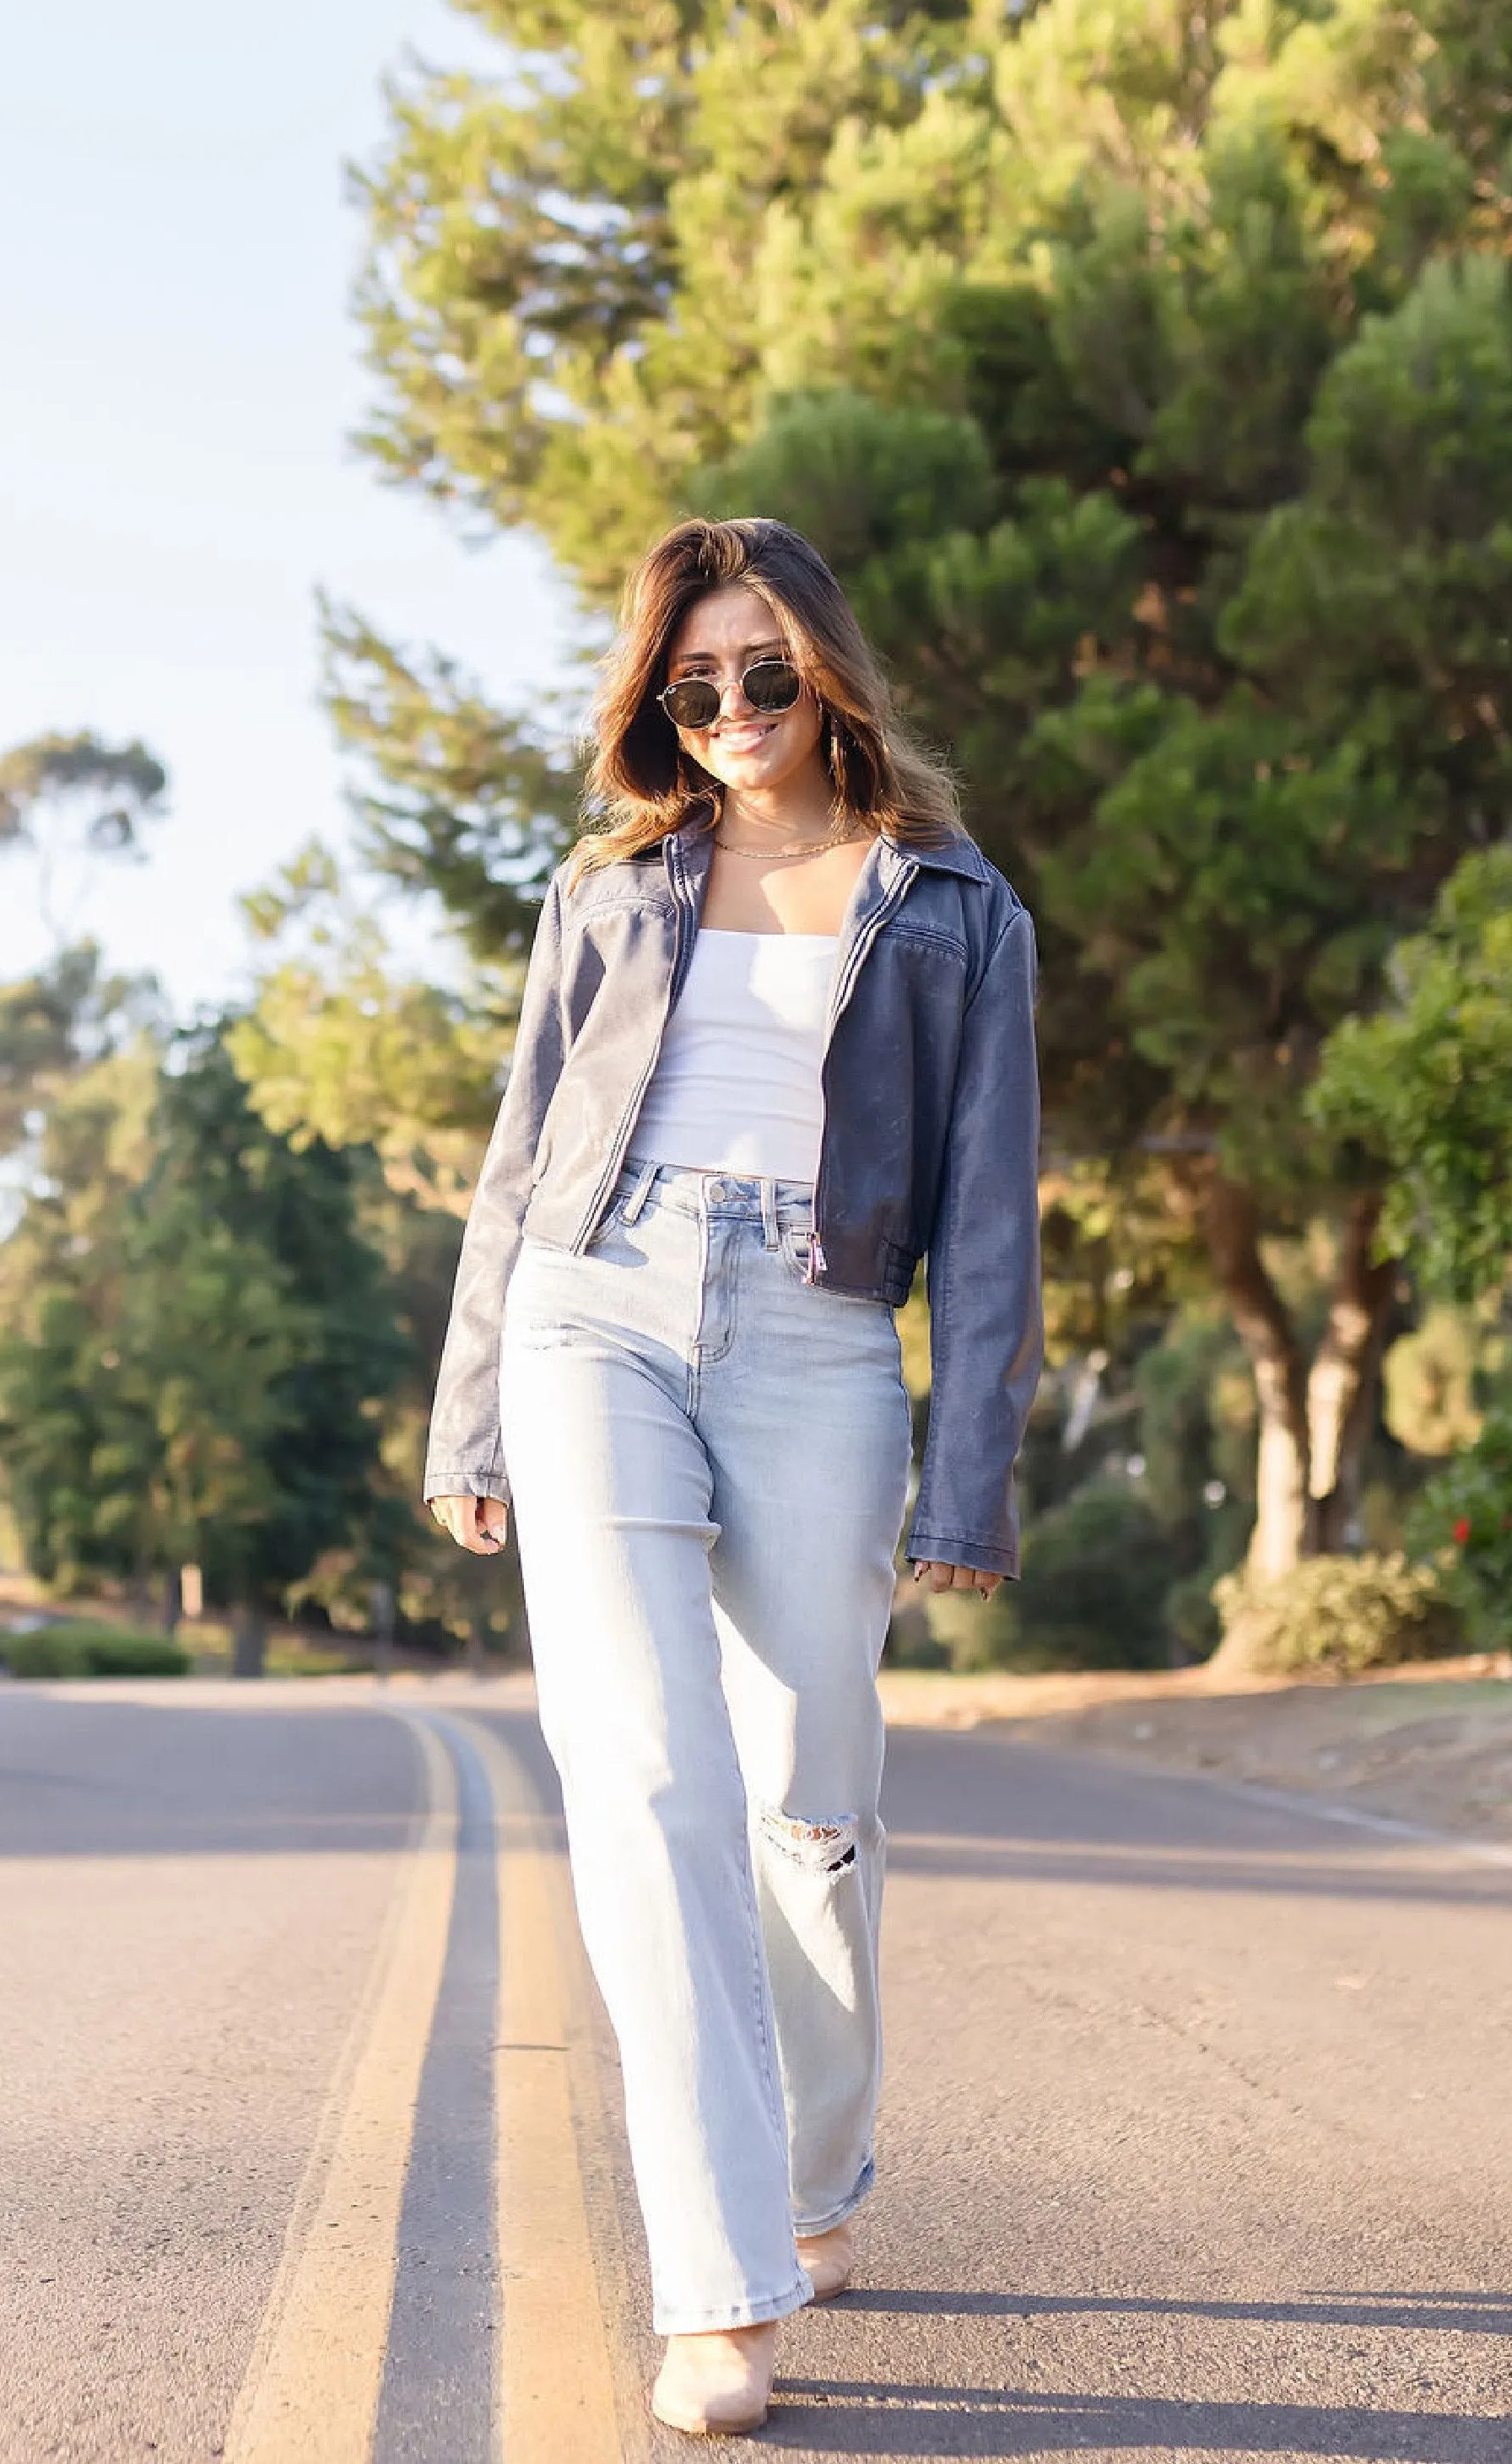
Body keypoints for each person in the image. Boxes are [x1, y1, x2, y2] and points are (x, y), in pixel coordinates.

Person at [427, 516, 1042, 2437]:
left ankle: (816, 2169)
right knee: (651, 1782)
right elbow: (521, 1162)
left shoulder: (953, 909)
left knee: (807, 1790)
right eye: (692, 684)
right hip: (591, 1308)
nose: (730, 711)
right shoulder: (607, 892)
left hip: (817, 1331)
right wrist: (467, 1412)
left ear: (827, 670)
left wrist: (970, 1476)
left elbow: (989, 1217)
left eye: (763, 671)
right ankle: (720, 2284)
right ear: (656, 700)